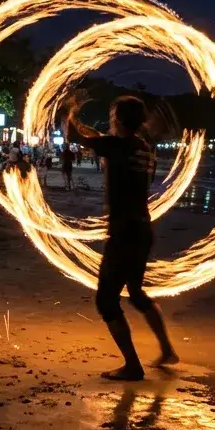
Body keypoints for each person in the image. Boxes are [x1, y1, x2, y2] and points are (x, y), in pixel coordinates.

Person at [63, 94, 177, 381]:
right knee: (136, 294)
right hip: (142, 229)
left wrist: (70, 109)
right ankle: (167, 350)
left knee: (106, 301)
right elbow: (99, 140)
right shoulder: (144, 149)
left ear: (116, 118)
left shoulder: (117, 146)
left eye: (112, 113)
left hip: (124, 233)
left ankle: (133, 366)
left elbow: (74, 135)